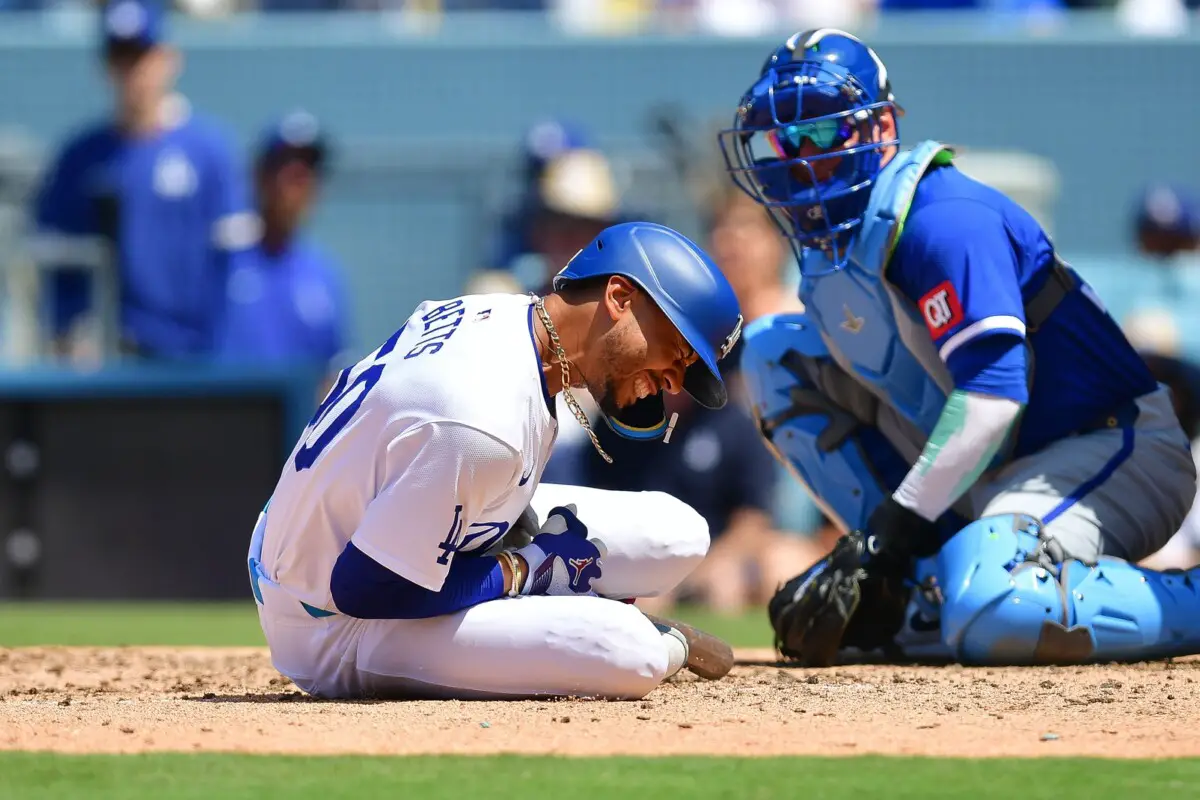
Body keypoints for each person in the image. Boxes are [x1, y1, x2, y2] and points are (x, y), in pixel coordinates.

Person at [717, 29, 1199, 667]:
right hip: (993, 469)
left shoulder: (943, 217)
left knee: (992, 602)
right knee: (771, 352)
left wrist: (892, 531)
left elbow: (993, 400)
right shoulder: (836, 252)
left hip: (1107, 446)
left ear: (879, 128)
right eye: (784, 140)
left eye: (822, 133)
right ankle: (914, 581)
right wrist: (877, 560)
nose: (800, 159)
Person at [247, 221, 744, 700]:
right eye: (677, 353)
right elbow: (363, 588)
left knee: (680, 532)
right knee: (633, 653)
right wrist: (522, 570)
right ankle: (618, 624)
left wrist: (514, 532)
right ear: (619, 298)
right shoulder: (481, 416)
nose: (676, 383)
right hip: (330, 617)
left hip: (349, 519)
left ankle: (553, 597)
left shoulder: (503, 316)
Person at [30, 0, 257, 361]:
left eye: (141, 55)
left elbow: (239, 268)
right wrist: (69, 332)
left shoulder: (209, 150)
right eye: (121, 57)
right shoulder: (81, 158)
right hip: (110, 361)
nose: (132, 71)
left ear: (168, 58)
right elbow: (57, 261)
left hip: (196, 358)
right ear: (106, 66)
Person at [214, 111, 350, 375]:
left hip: (299, 416)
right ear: (259, 176)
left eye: (307, 169)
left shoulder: (325, 276)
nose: (296, 182)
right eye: (284, 166)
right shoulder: (219, 261)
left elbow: (334, 375)